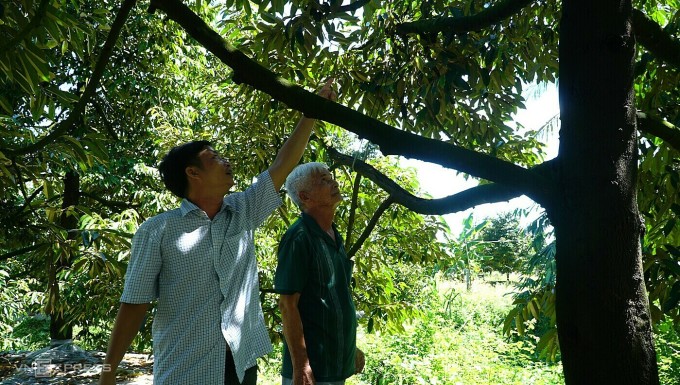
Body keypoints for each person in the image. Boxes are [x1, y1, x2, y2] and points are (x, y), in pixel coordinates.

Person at [98, 80, 336, 385]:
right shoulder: (157, 231)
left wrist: (312, 113)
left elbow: (282, 164)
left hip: (241, 365)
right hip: (186, 370)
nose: (227, 162)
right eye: (215, 158)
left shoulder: (242, 210)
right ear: (192, 172)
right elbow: (134, 304)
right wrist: (108, 373)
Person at [274, 162, 365, 385]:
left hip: (334, 365)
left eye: (331, 177)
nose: (333, 182)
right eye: (323, 180)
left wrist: (349, 348)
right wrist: (302, 365)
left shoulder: (334, 235)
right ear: (305, 197)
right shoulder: (300, 237)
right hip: (312, 372)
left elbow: (334, 299)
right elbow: (287, 305)